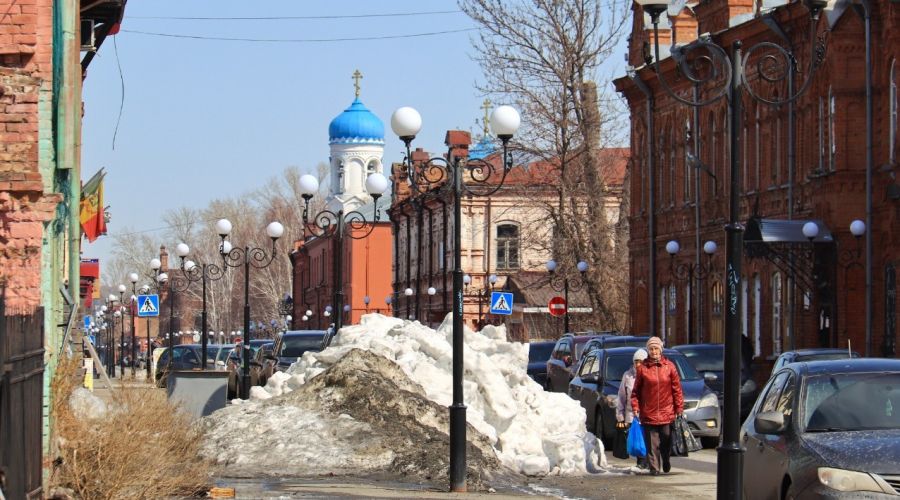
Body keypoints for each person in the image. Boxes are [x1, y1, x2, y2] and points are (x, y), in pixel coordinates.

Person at [631, 336, 683, 476]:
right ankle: (654, 467)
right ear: (648, 351)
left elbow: (677, 389)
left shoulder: (669, 367)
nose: (654, 351)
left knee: (666, 439)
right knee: (652, 442)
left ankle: (666, 459)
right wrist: (635, 407)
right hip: (649, 411)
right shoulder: (643, 369)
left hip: (667, 411)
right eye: (651, 349)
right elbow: (635, 391)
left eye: (656, 349)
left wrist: (679, 408)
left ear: (661, 350)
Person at [616, 348, 649, 469]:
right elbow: (621, 397)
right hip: (632, 415)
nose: (638, 364)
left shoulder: (650, 374)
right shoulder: (628, 376)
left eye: (641, 361)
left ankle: (648, 462)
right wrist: (620, 416)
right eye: (636, 361)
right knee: (637, 441)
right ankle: (641, 462)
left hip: (647, 415)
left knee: (648, 440)